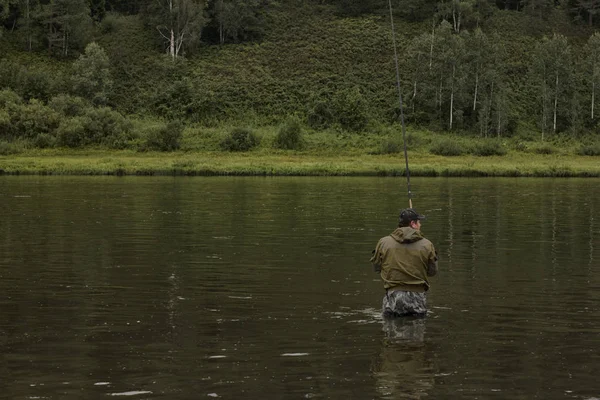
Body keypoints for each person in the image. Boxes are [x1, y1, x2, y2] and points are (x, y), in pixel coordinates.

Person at [370, 208, 438, 318]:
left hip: (393, 297)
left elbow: (376, 268)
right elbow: (432, 272)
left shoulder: (383, 242)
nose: (420, 225)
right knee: (417, 330)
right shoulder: (427, 244)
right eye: (419, 222)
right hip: (418, 298)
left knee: (392, 331)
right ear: (413, 224)